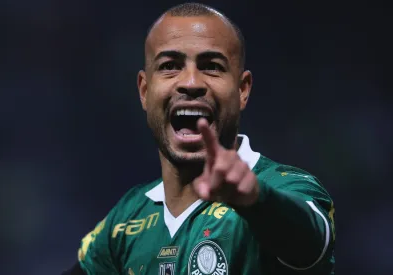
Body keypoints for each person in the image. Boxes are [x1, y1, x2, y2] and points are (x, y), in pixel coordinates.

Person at [64, 2, 335, 275]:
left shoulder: (286, 186)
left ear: (242, 90)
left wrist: (257, 200)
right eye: (170, 65)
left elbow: (310, 242)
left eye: (212, 66)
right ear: (144, 91)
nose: (191, 83)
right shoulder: (127, 218)